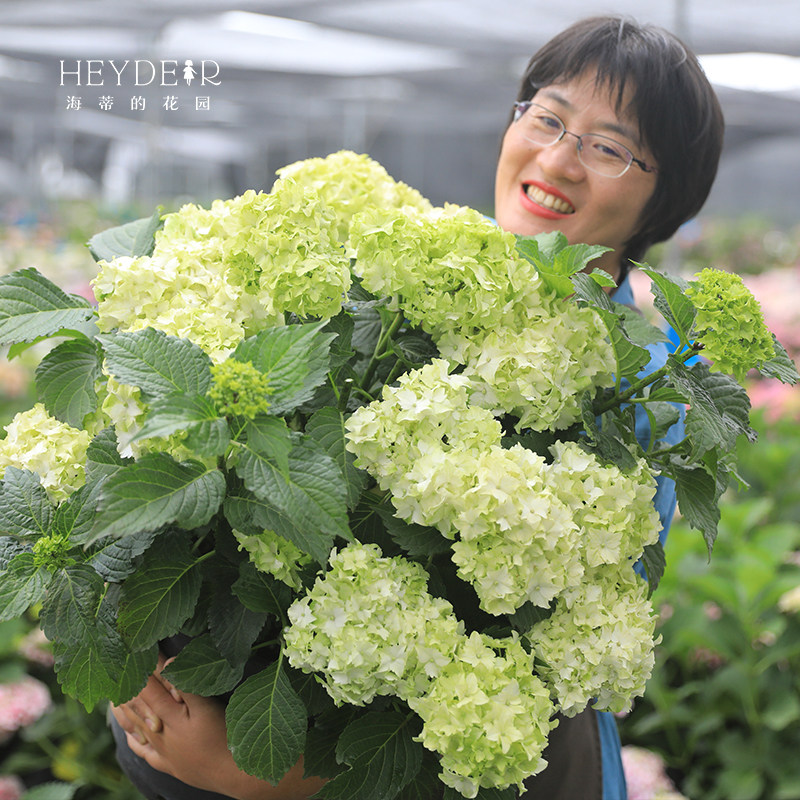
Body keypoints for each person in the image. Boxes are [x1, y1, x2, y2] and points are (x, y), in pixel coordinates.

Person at [111, 14, 724, 800]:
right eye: (547, 117)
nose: (558, 159)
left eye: (607, 146)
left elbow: (539, 653)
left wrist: (281, 779)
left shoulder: (649, 393)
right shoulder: (406, 287)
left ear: (660, 201)